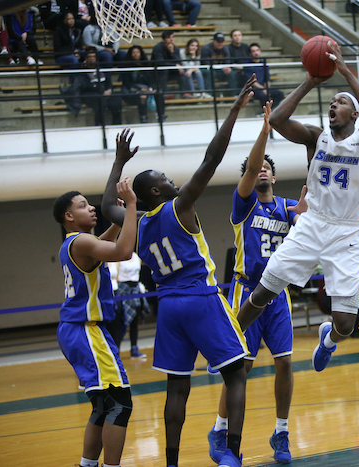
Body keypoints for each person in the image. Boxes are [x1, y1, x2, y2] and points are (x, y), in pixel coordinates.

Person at [102, 78, 257, 467]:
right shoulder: (180, 205)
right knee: (236, 374)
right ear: (156, 192)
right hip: (202, 298)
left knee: (177, 387)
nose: (172, 182)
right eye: (164, 180)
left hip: (168, 308)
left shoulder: (134, 225)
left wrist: (119, 163)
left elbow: (107, 207)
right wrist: (234, 111)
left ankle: (171, 463)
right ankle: (232, 454)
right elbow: (212, 159)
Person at [232, 41, 359, 374]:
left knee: (345, 324)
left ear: (354, 115)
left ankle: (328, 339)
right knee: (261, 293)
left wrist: (344, 72)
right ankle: (227, 345)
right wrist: (311, 81)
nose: (333, 105)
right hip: (312, 224)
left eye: (341, 102)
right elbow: (280, 119)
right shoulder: (316, 138)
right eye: (331, 102)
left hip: (346, 233)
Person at [207, 101, 306, 465]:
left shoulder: (289, 207)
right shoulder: (243, 204)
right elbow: (251, 166)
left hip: (276, 295)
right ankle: (219, 429)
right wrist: (266, 130)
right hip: (245, 290)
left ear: (275, 177)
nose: (262, 170)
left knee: (284, 363)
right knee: (241, 369)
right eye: (257, 168)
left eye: (268, 168)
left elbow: (313, 223)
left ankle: (280, 431)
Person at [53, 176, 137, 467]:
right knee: (119, 403)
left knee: (103, 406)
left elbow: (103, 244)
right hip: (86, 330)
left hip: (75, 330)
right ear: (68, 216)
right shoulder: (82, 241)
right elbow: (123, 252)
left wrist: (116, 221)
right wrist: (131, 209)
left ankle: (87, 465)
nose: (92, 209)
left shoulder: (75, 243)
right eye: (83, 205)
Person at [110, 253, 150, 357]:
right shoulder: (119, 257)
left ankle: (134, 348)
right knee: (121, 320)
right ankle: (116, 351)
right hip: (123, 289)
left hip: (135, 288)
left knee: (135, 319)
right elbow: (117, 275)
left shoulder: (136, 256)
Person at [151, 31, 184, 122]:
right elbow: (160, 63)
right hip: (158, 73)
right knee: (165, 69)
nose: (171, 39)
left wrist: (172, 52)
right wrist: (174, 65)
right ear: (163, 40)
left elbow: (179, 62)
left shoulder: (175, 48)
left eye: (172, 37)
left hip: (171, 72)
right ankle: (164, 91)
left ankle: (185, 92)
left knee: (183, 72)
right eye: (169, 38)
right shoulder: (158, 48)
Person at [243, 43, 285, 109]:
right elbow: (252, 81)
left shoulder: (264, 63)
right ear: (250, 53)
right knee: (262, 95)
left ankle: (270, 110)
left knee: (280, 94)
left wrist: (266, 88)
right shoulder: (247, 65)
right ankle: (266, 111)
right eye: (253, 51)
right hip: (253, 88)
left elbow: (267, 79)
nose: (256, 53)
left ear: (260, 51)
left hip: (264, 87)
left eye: (257, 50)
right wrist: (263, 89)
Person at [120, 45, 154, 124]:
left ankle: (161, 116)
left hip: (146, 89)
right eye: (134, 53)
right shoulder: (126, 67)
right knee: (142, 96)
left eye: (138, 52)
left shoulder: (146, 65)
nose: (136, 54)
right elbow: (127, 82)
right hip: (131, 91)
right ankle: (143, 117)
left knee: (159, 94)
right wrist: (140, 90)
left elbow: (151, 80)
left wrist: (151, 88)